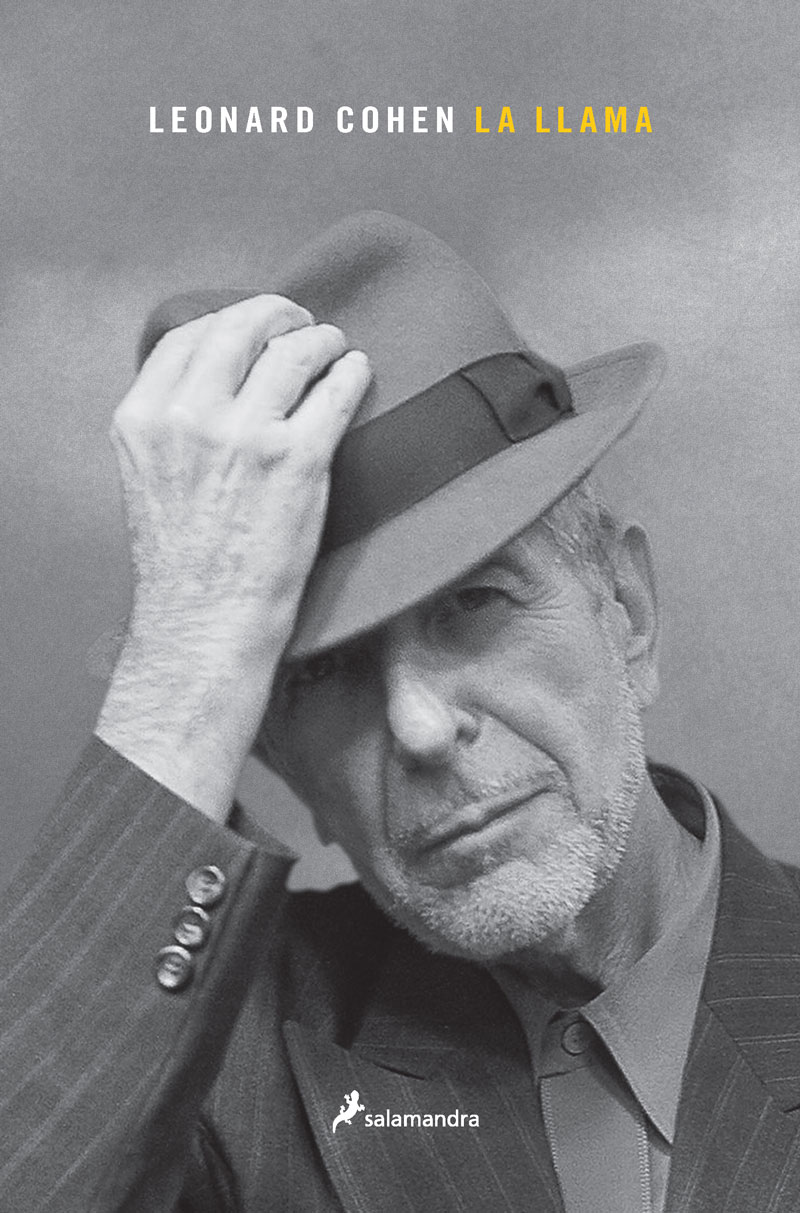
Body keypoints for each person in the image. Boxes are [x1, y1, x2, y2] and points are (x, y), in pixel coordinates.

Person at [0, 212, 797, 1213]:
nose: (419, 728)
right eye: (324, 675)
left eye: (476, 603)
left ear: (625, 610)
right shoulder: (213, 1059)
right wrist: (191, 649)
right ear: (273, 755)